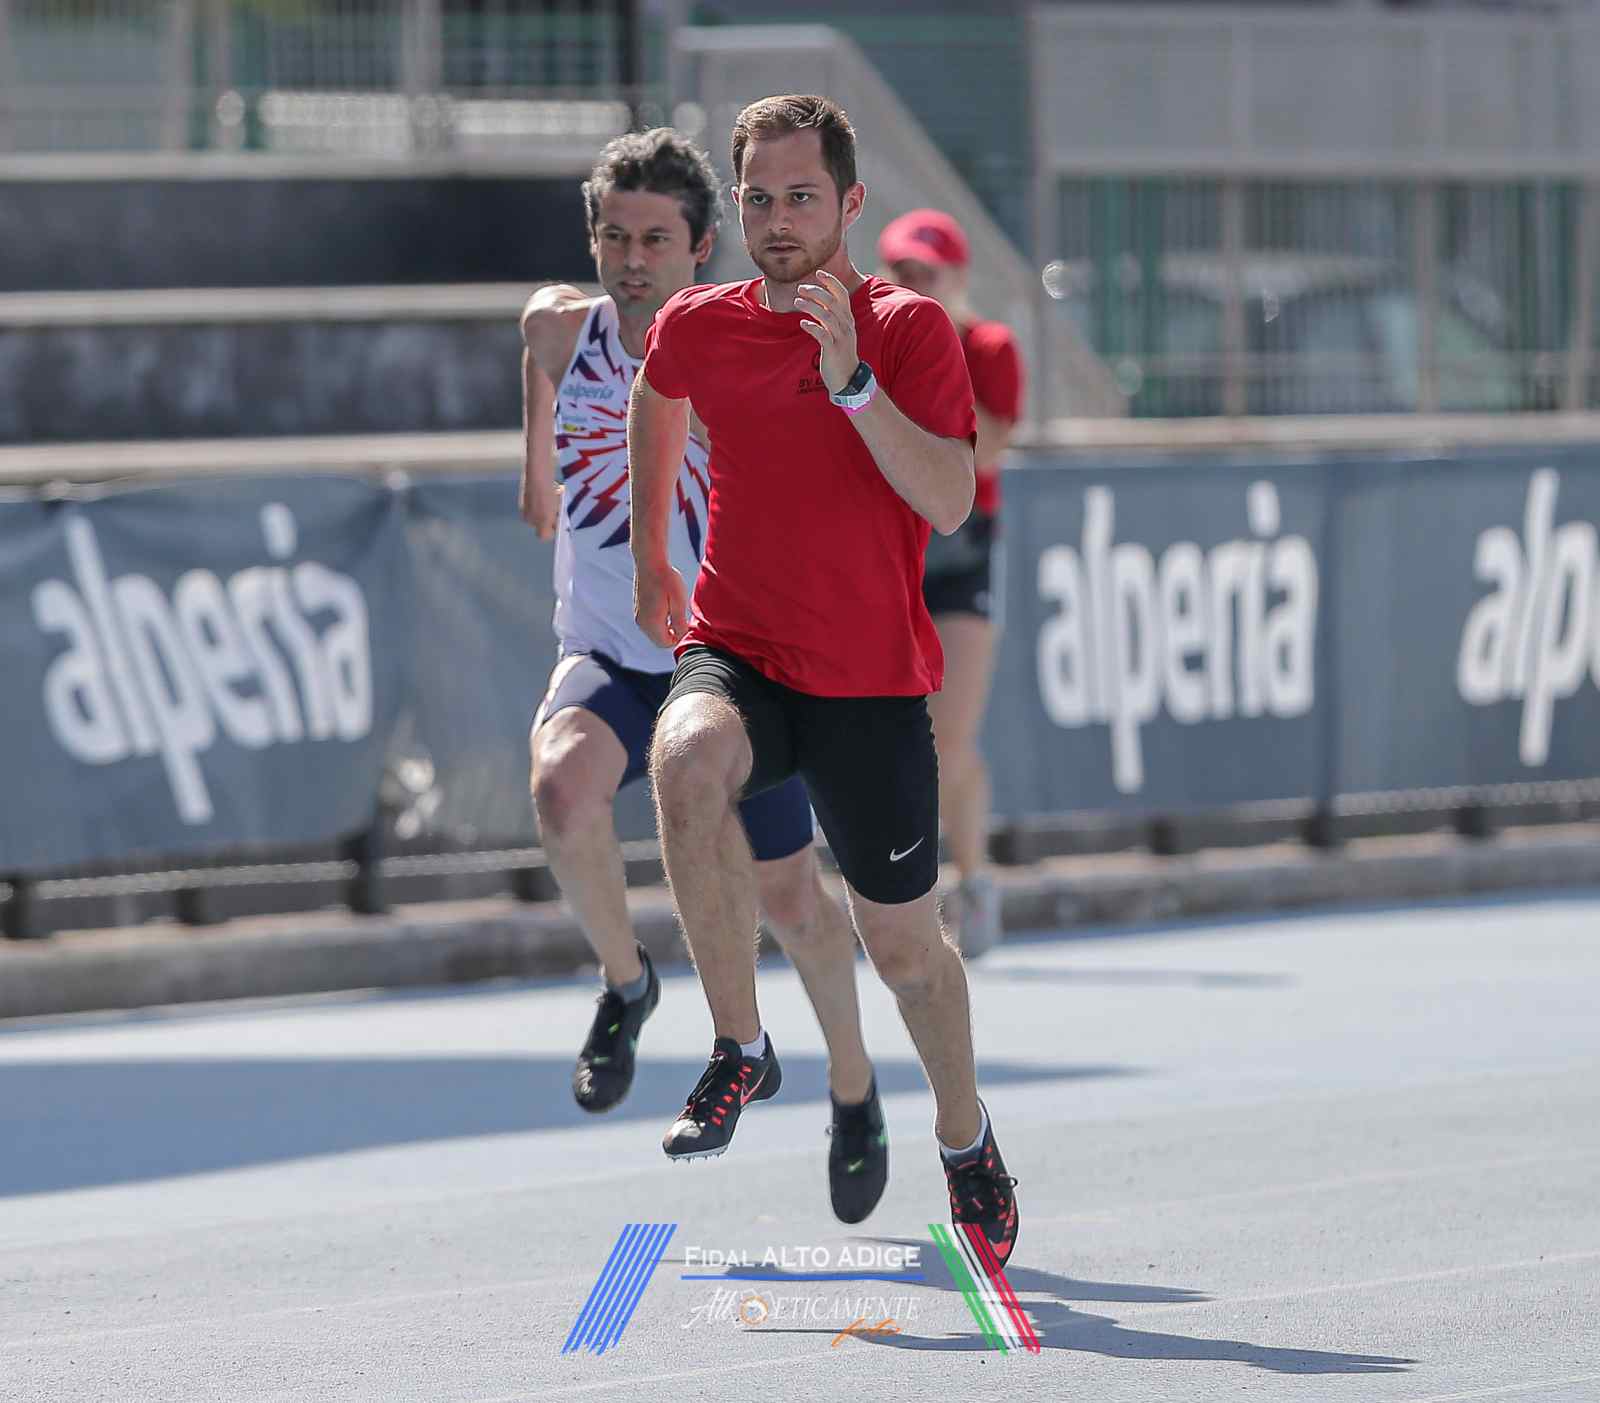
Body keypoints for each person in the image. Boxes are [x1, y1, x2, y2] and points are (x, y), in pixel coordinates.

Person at [629, 95, 1021, 1267]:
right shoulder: (702, 322)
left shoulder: (909, 329)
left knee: (903, 951)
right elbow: (659, 388)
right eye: (758, 199)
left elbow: (947, 501)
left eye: (801, 197)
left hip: (868, 681)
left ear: (850, 204)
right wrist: (653, 551)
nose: (778, 220)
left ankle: (964, 1136)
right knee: (683, 758)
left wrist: (852, 383)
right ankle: (739, 1044)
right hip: (740, 646)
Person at [520, 127, 887, 1225]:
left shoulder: (741, 346)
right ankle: (628, 983)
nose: (633, 260)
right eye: (615, 237)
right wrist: (536, 457)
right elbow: (534, 341)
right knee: (559, 790)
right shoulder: (561, 329)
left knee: (792, 897)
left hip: (725, 661)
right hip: (608, 651)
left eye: (657, 240)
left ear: (700, 248)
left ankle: (856, 1089)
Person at [877, 210, 1025, 960]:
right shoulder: (869, 342)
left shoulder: (988, 347)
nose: (913, 285)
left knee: (950, 736)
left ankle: (972, 880)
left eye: (926, 274)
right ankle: (911, 891)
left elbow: (987, 448)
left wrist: (929, 371)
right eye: (901, 272)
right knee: (889, 736)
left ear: (958, 278)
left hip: (960, 556)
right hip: (888, 555)